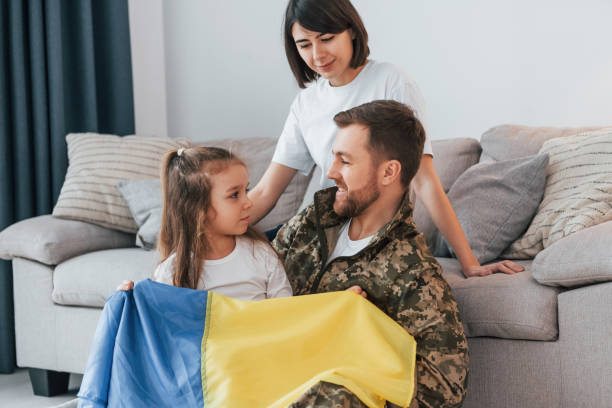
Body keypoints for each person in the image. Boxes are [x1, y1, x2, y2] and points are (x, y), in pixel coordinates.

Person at [248, 0, 524, 278]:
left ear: (352, 31)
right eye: (304, 45)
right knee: (237, 258)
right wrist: (212, 230)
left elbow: (424, 179)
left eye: (327, 39)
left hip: (370, 232)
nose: (317, 54)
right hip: (319, 229)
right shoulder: (306, 103)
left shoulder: (391, 82)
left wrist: (470, 263)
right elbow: (265, 192)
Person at [274, 100, 469, 407]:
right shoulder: (311, 221)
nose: (331, 171)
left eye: (346, 161)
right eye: (333, 157)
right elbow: (256, 288)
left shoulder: (412, 272)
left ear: (389, 172)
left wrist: (353, 344)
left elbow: (445, 386)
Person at [150, 146, 292, 300]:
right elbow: (159, 319)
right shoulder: (173, 272)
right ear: (197, 208)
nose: (248, 202)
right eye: (235, 195)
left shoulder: (261, 254)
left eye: (246, 190)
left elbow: (284, 311)